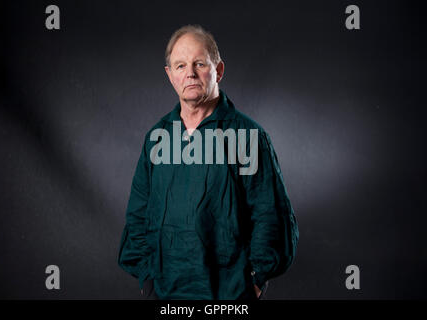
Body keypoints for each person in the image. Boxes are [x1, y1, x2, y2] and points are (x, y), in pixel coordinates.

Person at [118, 24, 299, 300]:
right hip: (165, 294)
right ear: (170, 75)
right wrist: (148, 279)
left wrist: (254, 281)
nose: (189, 73)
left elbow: (271, 217)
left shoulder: (247, 136)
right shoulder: (157, 138)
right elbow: (138, 216)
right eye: (180, 66)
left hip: (228, 296)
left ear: (219, 70)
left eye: (199, 63)